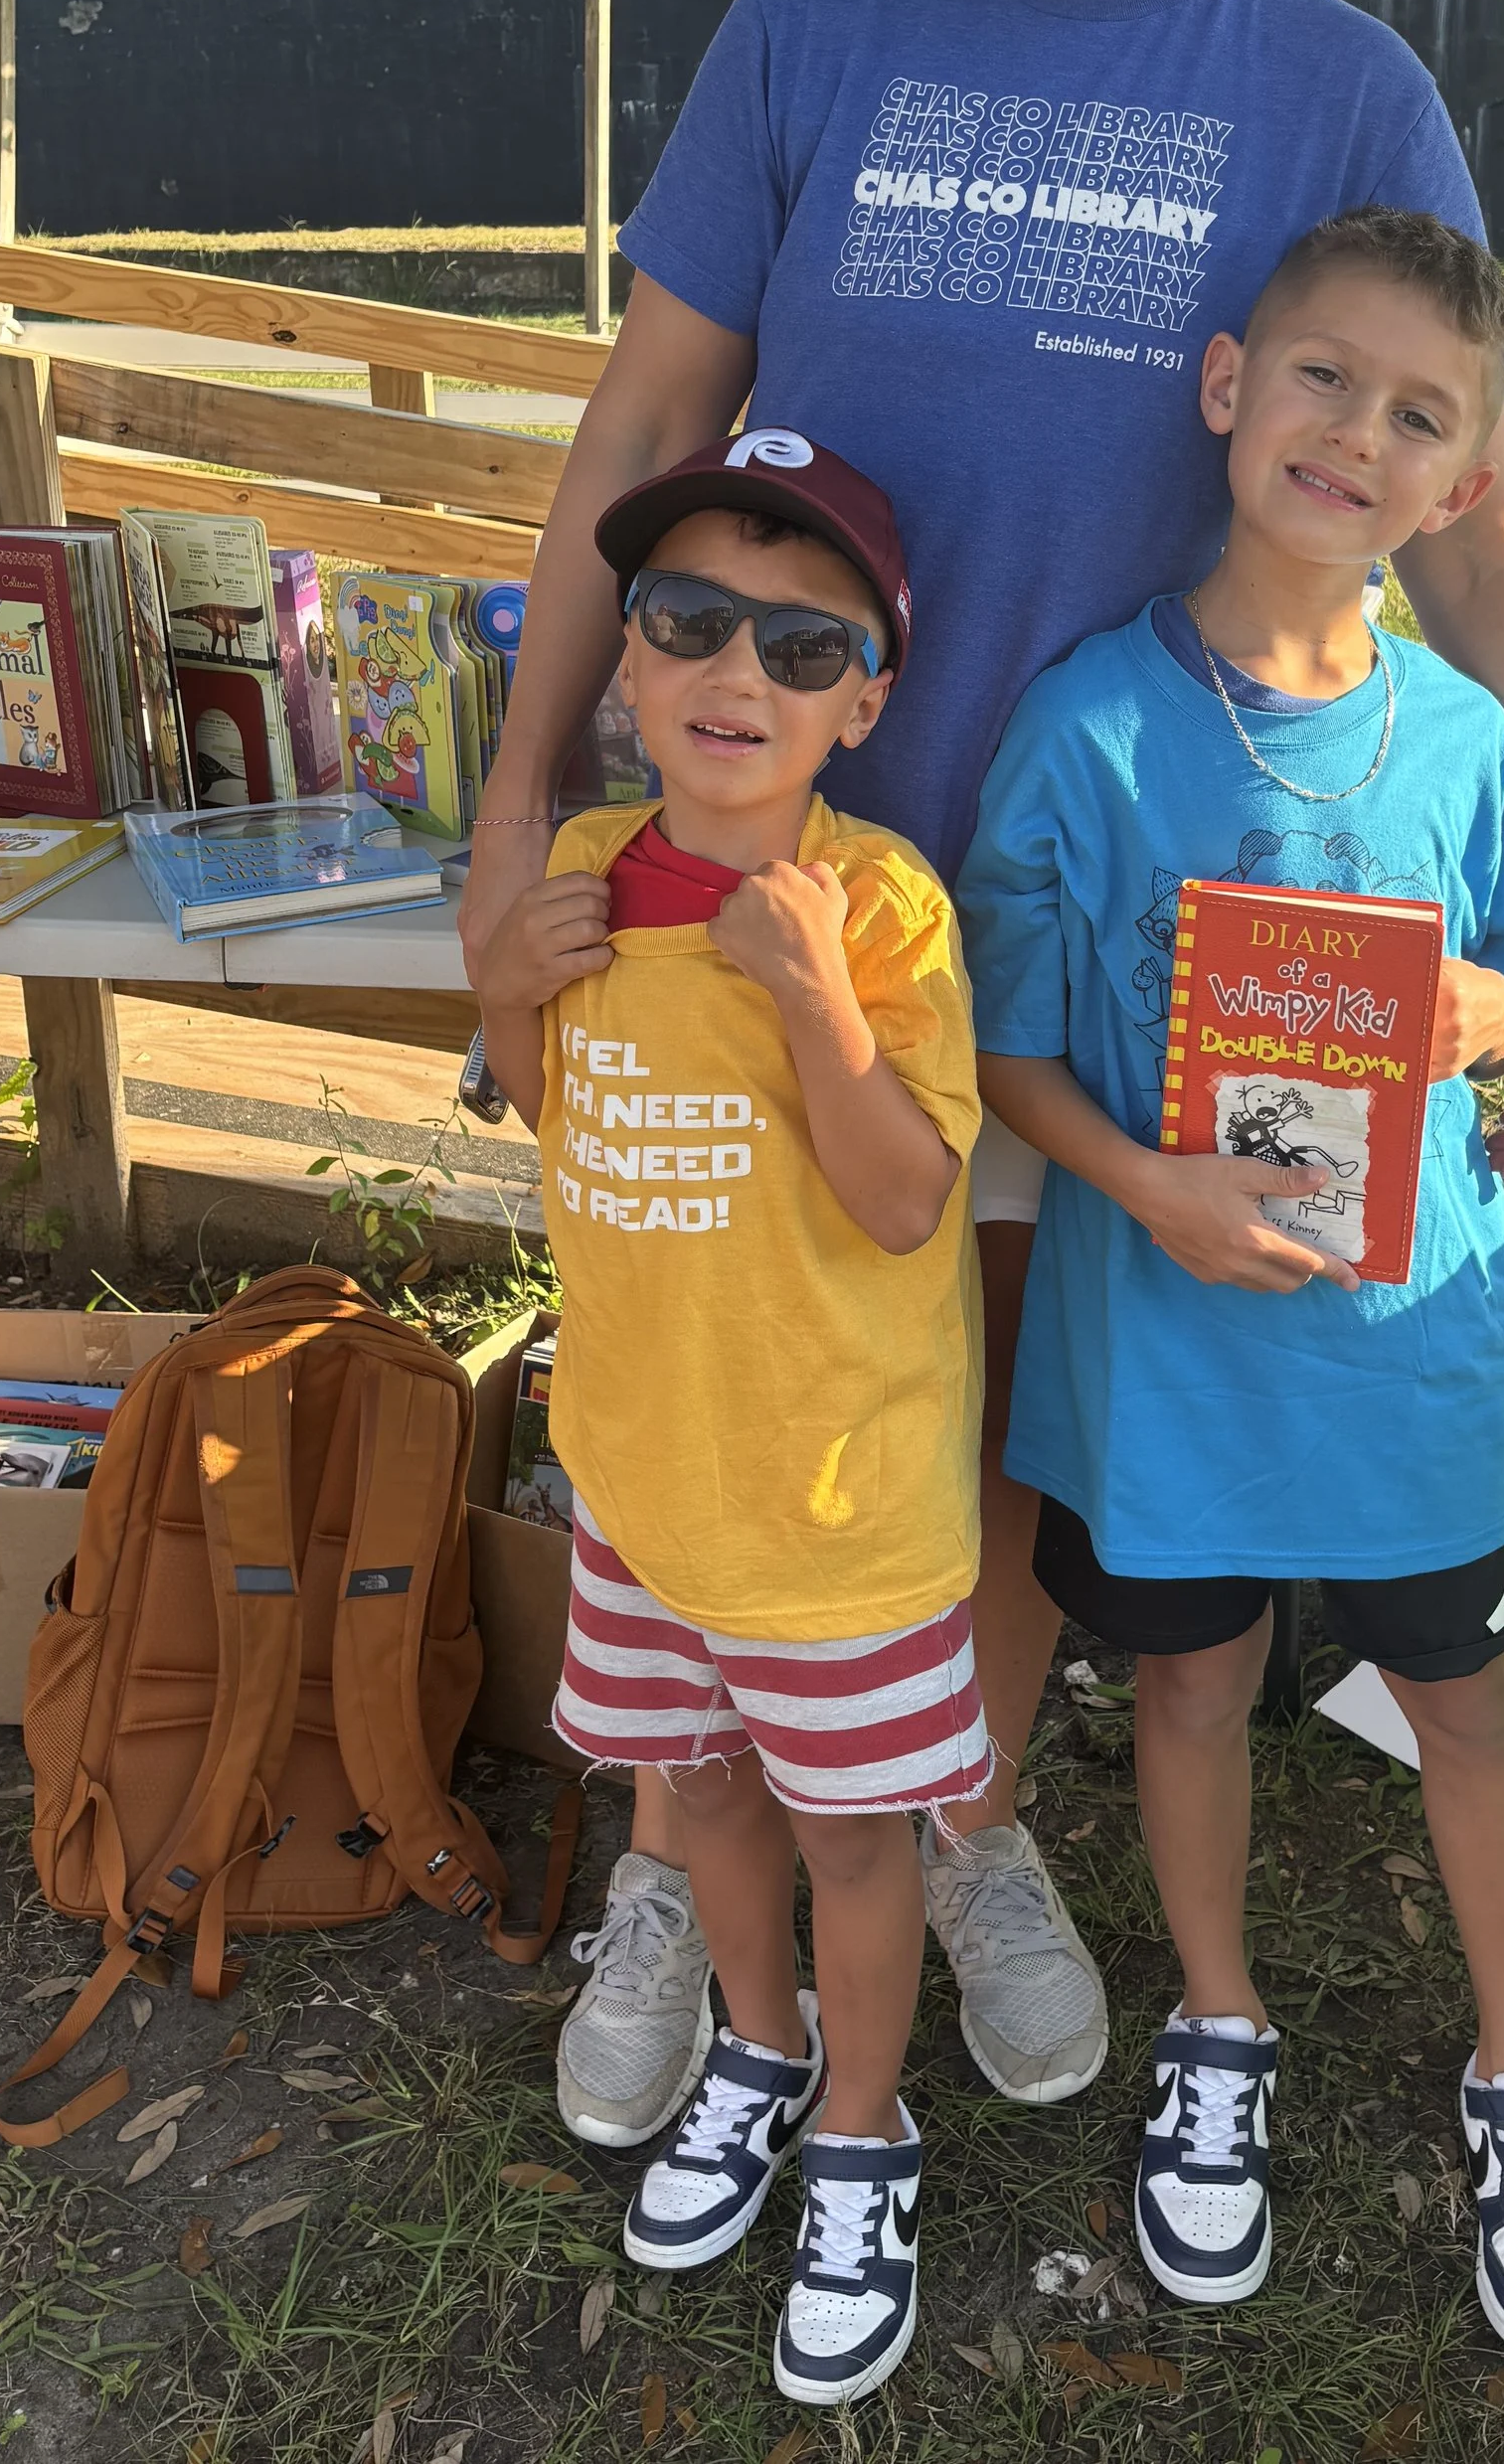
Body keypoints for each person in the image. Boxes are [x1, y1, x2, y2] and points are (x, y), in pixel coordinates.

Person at [461, 0, 1504, 2157]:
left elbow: (1483, 518)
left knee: (972, 1402)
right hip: (763, 872)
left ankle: (944, 1805)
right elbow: (644, 414)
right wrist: (528, 806)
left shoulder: (1338, 84)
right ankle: (685, 1840)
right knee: (715, 1345)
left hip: (1108, 925)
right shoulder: (821, 10)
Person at [955, 207, 1504, 2360]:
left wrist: (1479, 1026)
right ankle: (1216, 2025)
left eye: (1418, 415)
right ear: (1226, 383)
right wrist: (1137, 1177)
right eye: (1322, 377)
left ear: (1465, 482)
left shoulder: (1460, 744)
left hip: (1404, 1351)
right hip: (1167, 1356)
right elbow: (1007, 1045)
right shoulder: (1087, 729)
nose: (1358, 434)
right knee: (1184, 1685)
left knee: (1458, 1696)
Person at [474, 433, 980, 2409]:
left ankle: (861, 2130)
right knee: (703, 1808)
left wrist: (817, 1008)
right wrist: (506, 985)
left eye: (797, 641)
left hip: (832, 1512)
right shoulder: (589, 875)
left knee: (853, 1832)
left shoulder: (879, 906)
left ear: (862, 698)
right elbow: (549, 1110)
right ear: (625, 666)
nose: (733, 672)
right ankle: (754, 2054)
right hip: (643, 1485)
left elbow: (903, 1198)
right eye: (686, 619)